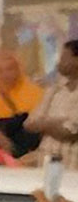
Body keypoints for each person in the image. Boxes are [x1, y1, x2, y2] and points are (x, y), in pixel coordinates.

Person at [0, 49, 45, 158]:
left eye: (9, 69)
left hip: (27, 152)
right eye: (0, 70)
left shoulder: (35, 93)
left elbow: (36, 124)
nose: (5, 74)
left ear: (18, 69)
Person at [26, 38, 78, 168]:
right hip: (45, 162)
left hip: (73, 165)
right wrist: (56, 123)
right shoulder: (55, 90)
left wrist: (44, 123)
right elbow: (30, 123)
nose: (58, 63)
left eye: (64, 57)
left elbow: (69, 132)